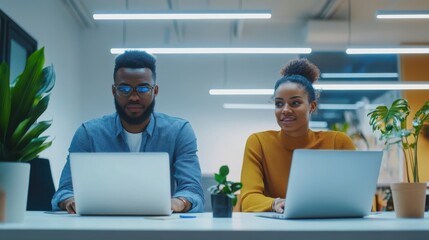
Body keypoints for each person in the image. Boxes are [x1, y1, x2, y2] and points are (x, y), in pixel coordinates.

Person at [51, 51, 204, 213]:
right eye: (124, 89)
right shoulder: (88, 133)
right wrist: (70, 201)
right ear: (113, 91)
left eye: (143, 88)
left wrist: (179, 202)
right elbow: (64, 191)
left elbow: (193, 190)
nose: (134, 97)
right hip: (100, 228)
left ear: (155, 91)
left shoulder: (179, 131)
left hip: (158, 228)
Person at [239, 58, 355, 213]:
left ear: (312, 106)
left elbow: (359, 199)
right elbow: (248, 199)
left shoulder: (338, 143)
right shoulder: (259, 143)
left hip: (327, 228)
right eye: (279, 103)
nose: (285, 110)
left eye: (294, 103)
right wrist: (275, 203)